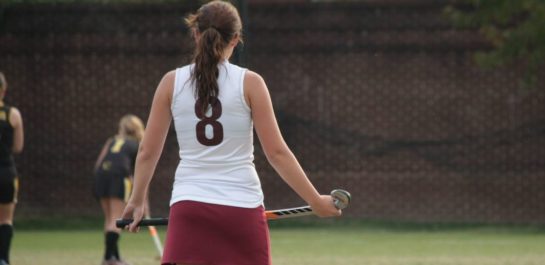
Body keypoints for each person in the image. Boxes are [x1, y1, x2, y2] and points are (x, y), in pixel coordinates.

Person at [121, 1, 341, 265]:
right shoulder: (251, 83)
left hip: (189, 206)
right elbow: (277, 153)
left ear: (196, 33)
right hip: (242, 208)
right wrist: (315, 200)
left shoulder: (171, 82)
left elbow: (147, 151)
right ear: (236, 39)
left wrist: (136, 201)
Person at [94, 114, 144, 265]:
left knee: (110, 219)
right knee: (116, 219)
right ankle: (109, 258)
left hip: (101, 176)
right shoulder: (138, 144)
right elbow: (138, 174)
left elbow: (98, 163)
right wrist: (141, 199)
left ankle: (113, 256)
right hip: (119, 178)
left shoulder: (112, 140)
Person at [0, 72, 24, 265]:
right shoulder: (12, 114)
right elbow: (18, 147)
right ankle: (4, 259)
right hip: (6, 171)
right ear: (4, 90)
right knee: (6, 219)